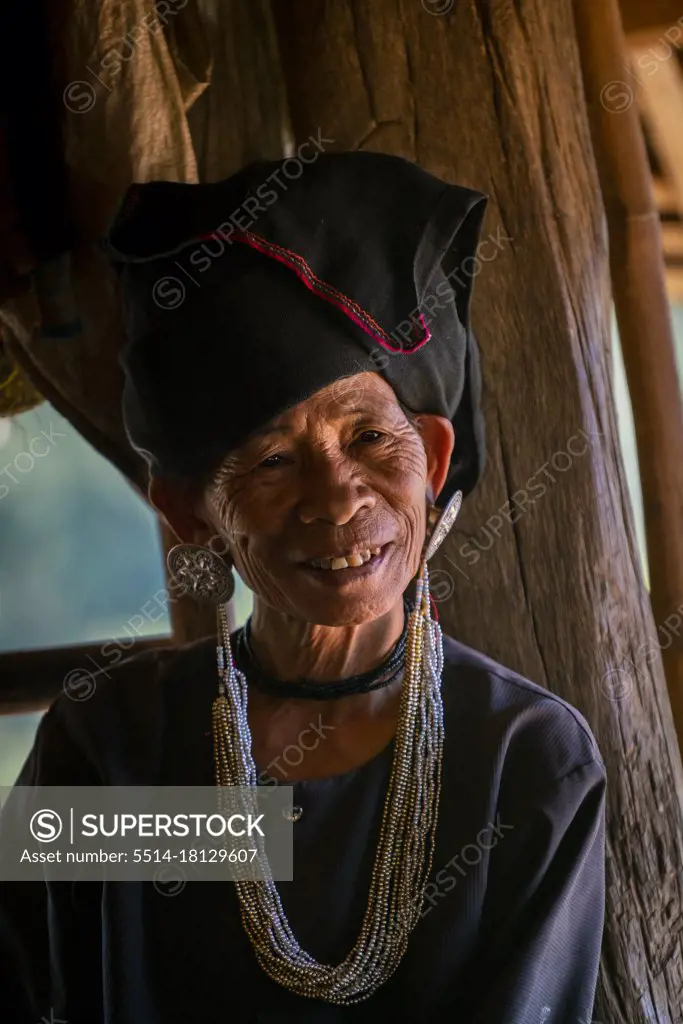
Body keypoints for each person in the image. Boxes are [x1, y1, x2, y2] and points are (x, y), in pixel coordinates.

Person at [0, 151, 605, 1023]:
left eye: (369, 439)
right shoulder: (114, 747)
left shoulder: (522, 760)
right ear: (192, 512)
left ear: (430, 461)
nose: (337, 501)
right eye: (274, 460)